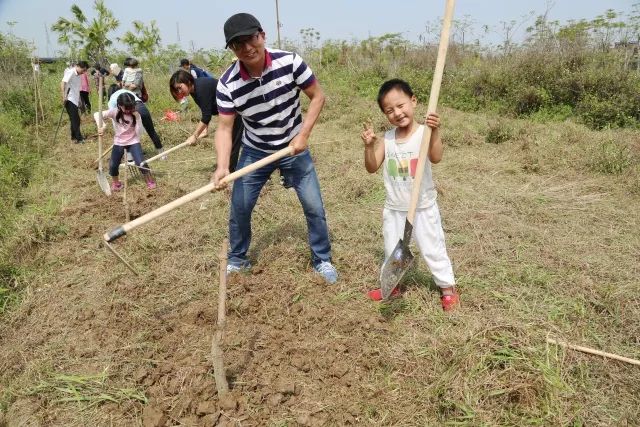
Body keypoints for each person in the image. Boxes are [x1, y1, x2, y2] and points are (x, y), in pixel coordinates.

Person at [212, 13, 337, 284]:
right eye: (238, 45)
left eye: (251, 39)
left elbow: (317, 96)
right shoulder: (227, 84)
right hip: (255, 150)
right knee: (240, 207)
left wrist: (303, 135)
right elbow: (224, 128)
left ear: (262, 35)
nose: (247, 48)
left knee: (314, 206)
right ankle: (237, 259)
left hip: (294, 146)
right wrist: (223, 166)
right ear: (232, 49)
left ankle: (322, 259)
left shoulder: (290, 62)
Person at [360, 79, 458, 310]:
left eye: (401, 105)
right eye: (389, 110)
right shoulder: (388, 139)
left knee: (433, 247)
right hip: (395, 207)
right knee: (392, 250)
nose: (397, 113)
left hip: (423, 206)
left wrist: (435, 132)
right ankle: (392, 287)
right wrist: (368, 147)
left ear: (413, 101)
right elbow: (372, 167)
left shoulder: (424, 133)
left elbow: (436, 157)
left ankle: (447, 288)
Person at [169, 70, 243, 170]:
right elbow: (205, 109)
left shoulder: (201, 89)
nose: (179, 92)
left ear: (187, 81)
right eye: (176, 90)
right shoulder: (194, 90)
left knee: (231, 142)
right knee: (229, 141)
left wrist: (194, 136)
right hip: (227, 113)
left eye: (179, 87)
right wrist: (205, 129)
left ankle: (230, 171)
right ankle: (228, 167)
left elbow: (206, 117)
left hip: (236, 111)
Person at [94, 92, 157, 191]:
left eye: (131, 107)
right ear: (119, 106)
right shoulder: (114, 112)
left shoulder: (136, 115)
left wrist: (137, 119)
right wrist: (102, 126)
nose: (129, 110)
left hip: (133, 141)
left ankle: (150, 180)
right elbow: (97, 114)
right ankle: (116, 184)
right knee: (113, 165)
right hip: (119, 142)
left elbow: (139, 132)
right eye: (126, 108)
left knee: (141, 163)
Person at [108, 87, 165, 158]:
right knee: (151, 131)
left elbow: (114, 118)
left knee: (128, 135)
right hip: (142, 107)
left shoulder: (111, 100)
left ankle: (130, 158)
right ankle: (162, 154)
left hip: (131, 110)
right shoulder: (125, 91)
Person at [60, 60, 89, 144]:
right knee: (76, 119)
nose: (83, 72)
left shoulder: (79, 75)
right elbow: (62, 83)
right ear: (79, 66)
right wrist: (63, 96)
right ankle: (78, 138)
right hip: (69, 98)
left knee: (74, 119)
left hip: (75, 99)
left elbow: (77, 88)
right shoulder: (70, 72)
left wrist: (79, 100)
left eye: (85, 71)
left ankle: (73, 137)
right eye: (83, 70)